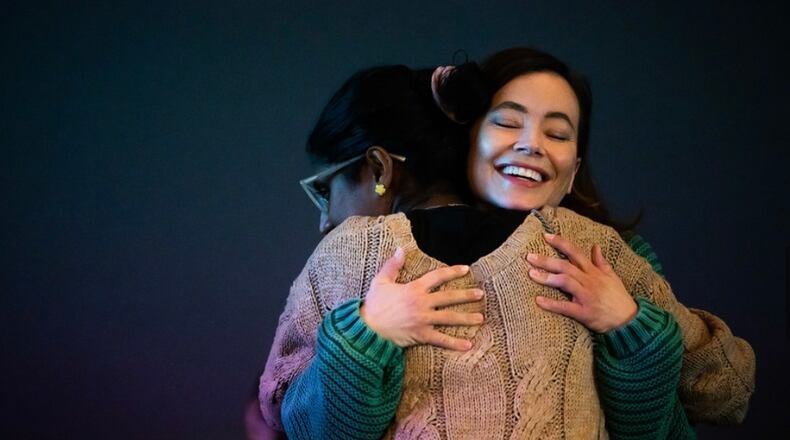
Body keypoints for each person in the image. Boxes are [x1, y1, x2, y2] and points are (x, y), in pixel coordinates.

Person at [256, 49, 749, 439]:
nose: (531, 144)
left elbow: (727, 392)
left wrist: (634, 326)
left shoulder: (604, 258)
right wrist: (367, 337)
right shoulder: (357, 257)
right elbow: (281, 414)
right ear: (466, 137)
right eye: (507, 121)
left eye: (557, 132)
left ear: (575, 168)